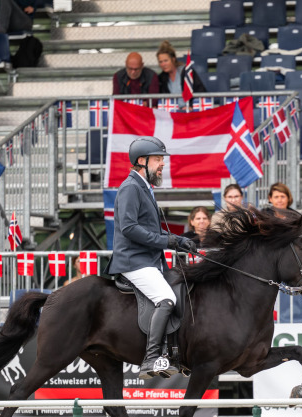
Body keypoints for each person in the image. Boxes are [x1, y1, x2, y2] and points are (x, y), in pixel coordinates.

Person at [104, 136, 197, 379]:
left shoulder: (144, 187)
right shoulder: (130, 187)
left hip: (148, 260)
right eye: (157, 159)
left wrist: (179, 240)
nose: (162, 164)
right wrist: (166, 242)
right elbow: (129, 228)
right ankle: (151, 358)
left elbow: (151, 229)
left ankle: (174, 354)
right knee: (166, 299)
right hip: (134, 261)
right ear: (142, 161)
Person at [156, 40, 206, 108]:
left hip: (190, 110)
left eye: (166, 61)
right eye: (160, 62)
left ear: (173, 59)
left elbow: (200, 91)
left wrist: (191, 106)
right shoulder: (161, 78)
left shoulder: (187, 72)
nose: (163, 64)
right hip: (173, 111)